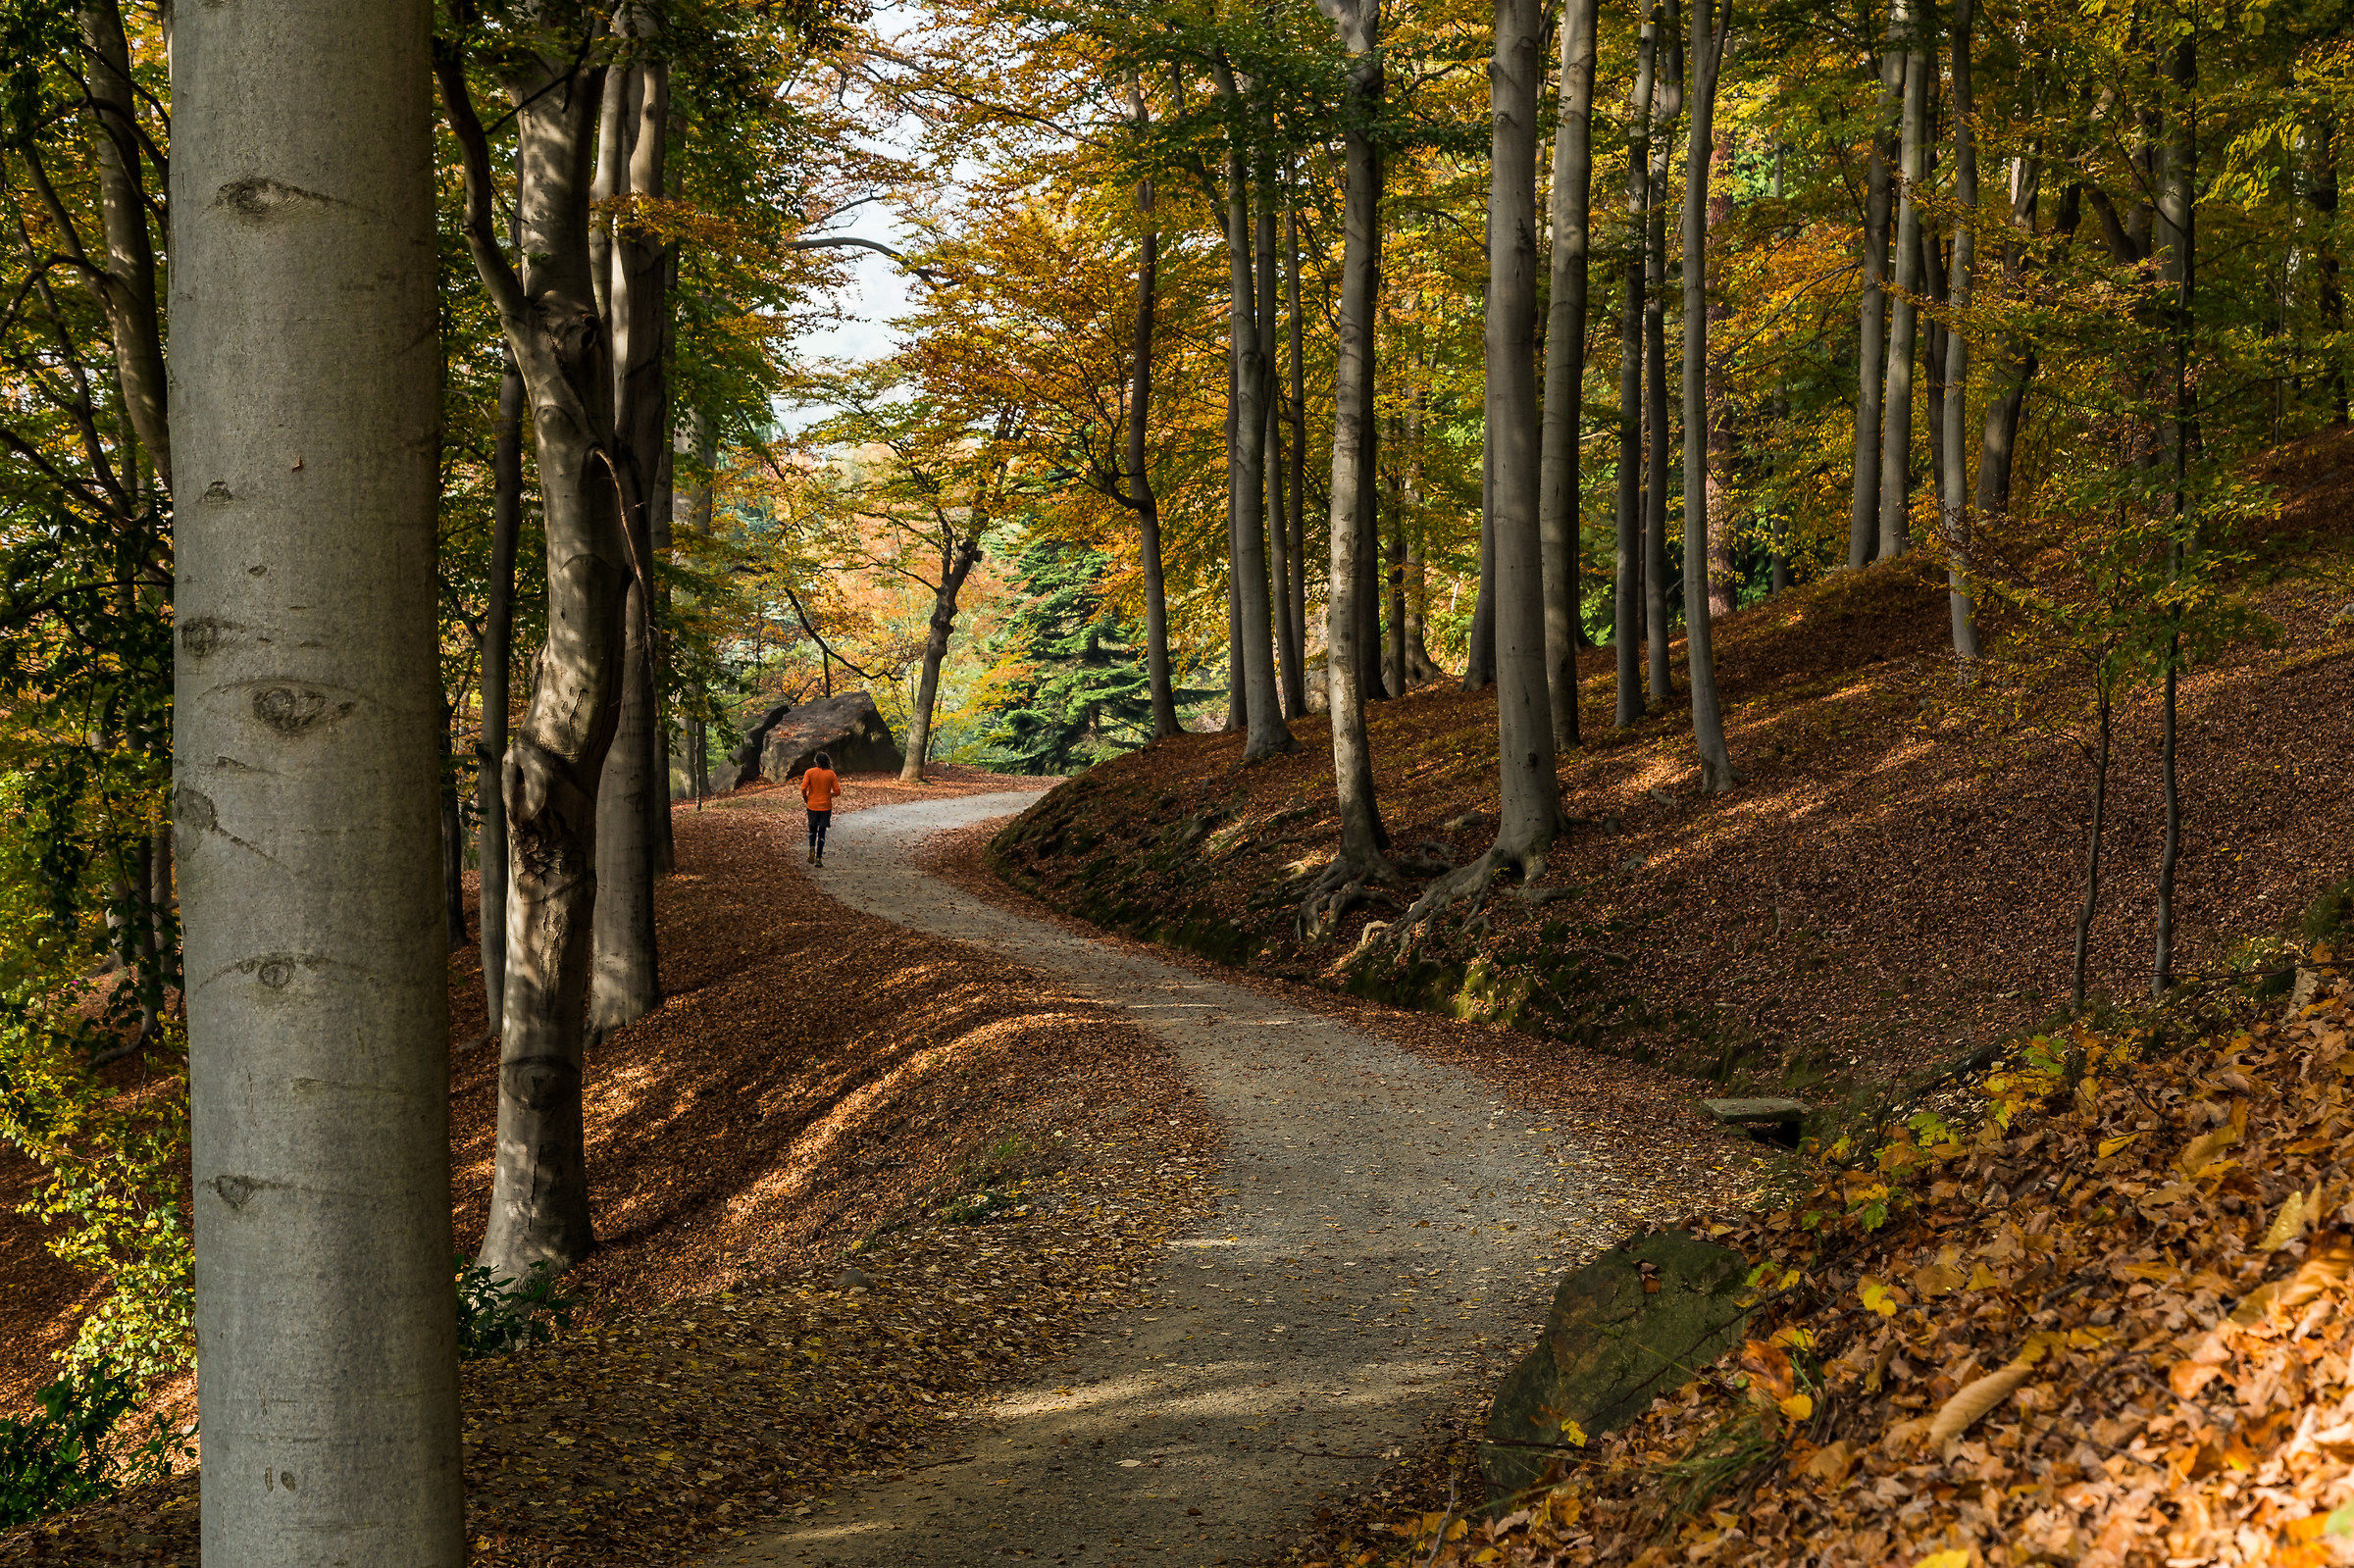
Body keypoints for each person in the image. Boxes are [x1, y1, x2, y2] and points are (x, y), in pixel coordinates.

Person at [799, 750, 841, 865]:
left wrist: (806, 798)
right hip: (825, 807)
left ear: (816, 761)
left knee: (812, 830)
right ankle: (818, 858)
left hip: (812, 805)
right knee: (822, 832)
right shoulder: (831, 774)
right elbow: (837, 791)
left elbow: (803, 788)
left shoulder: (809, 772)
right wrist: (829, 795)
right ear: (827, 762)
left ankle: (811, 847)